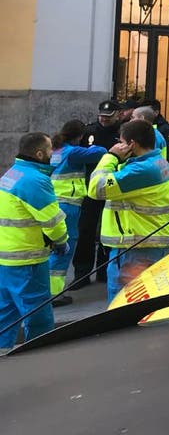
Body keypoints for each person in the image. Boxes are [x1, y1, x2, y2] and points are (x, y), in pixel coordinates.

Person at [87, 119, 169, 304]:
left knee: (123, 303)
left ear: (132, 144)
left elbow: (96, 188)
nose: (118, 145)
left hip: (136, 248)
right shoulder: (157, 162)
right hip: (150, 243)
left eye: (121, 141)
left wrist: (110, 156)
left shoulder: (141, 170)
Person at [0, 132, 69, 350]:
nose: (53, 154)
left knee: (5, 313)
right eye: (51, 150)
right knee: (38, 317)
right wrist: (61, 242)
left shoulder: (12, 174)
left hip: (6, 259)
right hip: (27, 262)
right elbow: (53, 222)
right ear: (40, 154)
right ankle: (41, 360)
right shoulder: (36, 180)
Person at [48, 120, 106, 304]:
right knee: (64, 250)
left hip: (55, 203)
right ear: (79, 136)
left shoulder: (56, 150)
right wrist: (92, 144)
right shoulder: (73, 152)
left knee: (53, 249)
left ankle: (47, 292)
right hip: (69, 206)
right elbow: (100, 153)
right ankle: (54, 295)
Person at [72, 99, 122, 289]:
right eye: (101, 115)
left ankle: (103, 271)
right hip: (90, 187)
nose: (104, 119)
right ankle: (81, 273)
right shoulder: (89, 131)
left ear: (117, 115)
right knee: (86, 230)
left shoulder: (122, 133)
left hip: (112, 187)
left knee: (108, 231)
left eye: (108, 116)